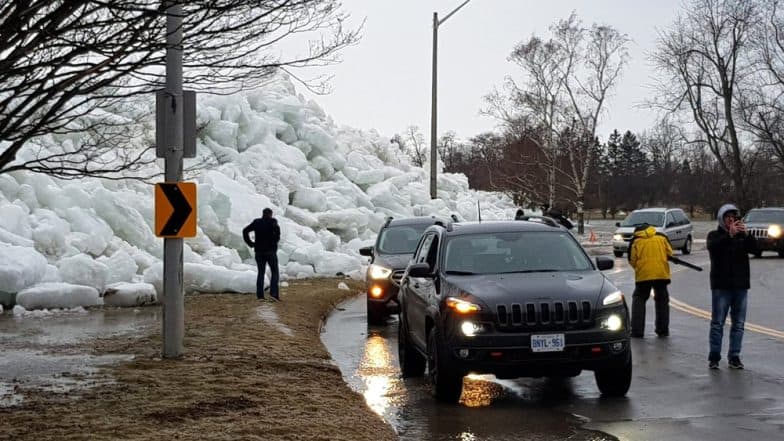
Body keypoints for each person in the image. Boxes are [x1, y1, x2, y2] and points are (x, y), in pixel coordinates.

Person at [706, 204, 757, 369]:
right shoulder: (714, 235)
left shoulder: (742, 237)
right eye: (727, 217)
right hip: (721, 286)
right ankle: (714, 356)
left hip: (740, 286)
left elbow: (755, 249)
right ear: (722, 219)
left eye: (734, 217)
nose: (731, 220)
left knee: (739, 324)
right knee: (718, 322)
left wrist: (747, 234)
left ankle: (734, 355)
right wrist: (729, 235)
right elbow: (714, 248)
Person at [628, 223, 673, 338]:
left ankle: (637, 331)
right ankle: (662, 330)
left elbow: (632, 259)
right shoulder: (661, 237)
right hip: (661, 275)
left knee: (639, 299)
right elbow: (669, 253)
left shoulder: (636, 241)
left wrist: (639, 268)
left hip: (643, 276)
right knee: (662, 301)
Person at [243, 208, 281, 301]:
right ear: (271, 214)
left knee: (261, 272)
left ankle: (260, 296)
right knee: (274, 272)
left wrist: (251, 243)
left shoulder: (257, 222)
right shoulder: (273, 222)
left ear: (263, 214)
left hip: (259, 252)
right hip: (270, 251)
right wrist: (274, 242)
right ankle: (273, 295)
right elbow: (278, 234)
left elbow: (245, 231)